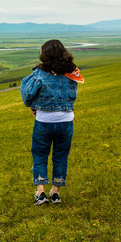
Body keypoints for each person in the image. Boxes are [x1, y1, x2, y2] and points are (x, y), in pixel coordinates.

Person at [20, 39, 84, 205]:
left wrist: (33, 106)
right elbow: (72, 96)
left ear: (44, 54)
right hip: (66, 120)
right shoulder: (73, 72)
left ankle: (40, 193)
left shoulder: (39, 74)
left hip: (44, 121)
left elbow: (27, 95)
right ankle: (55, 193)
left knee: (40, 154)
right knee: (61, 156)